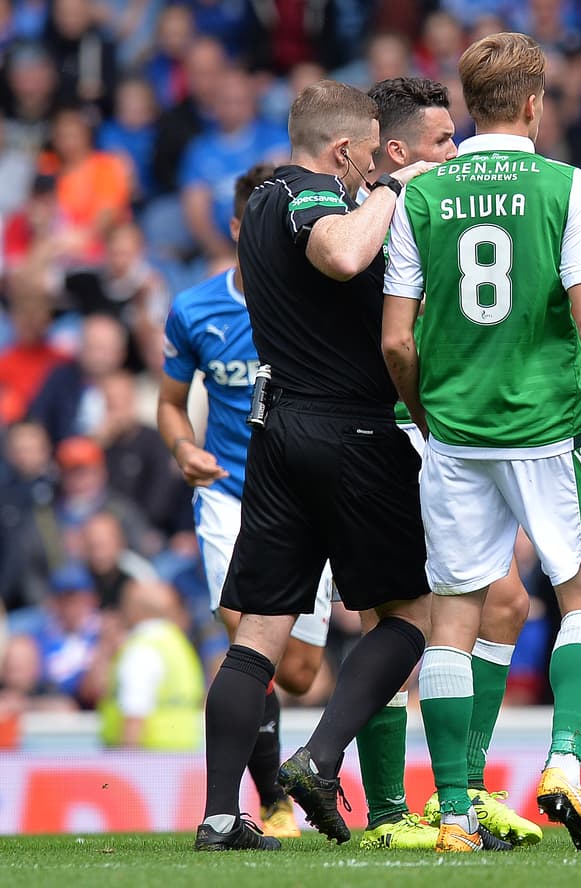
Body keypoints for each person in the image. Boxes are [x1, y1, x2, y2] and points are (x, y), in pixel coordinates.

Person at [381, 32, 581, 853]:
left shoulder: (419, 195)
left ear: (467, 103)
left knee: (453, 618)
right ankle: (564, 765)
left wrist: (427, 416)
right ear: (535, 103)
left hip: (455, 433)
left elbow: (396, 342)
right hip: (548, 426)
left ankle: (455, 812)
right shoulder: (567, 187)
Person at [194, 80, 437, 853]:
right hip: (351, 432)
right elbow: (338, 252)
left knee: (259, 635)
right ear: (341, 152)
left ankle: (219, 816)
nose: (374, 170)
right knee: (411, 618)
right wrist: (396, 187)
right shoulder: (308, 199)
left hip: (276, 433)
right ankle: (319, 758)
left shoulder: (261, 199)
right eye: (368, 157)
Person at [361, 75, 541, 850]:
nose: (456, 152)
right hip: (393, 430)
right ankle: (387, 809)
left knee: (502, 604)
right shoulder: (373, 218)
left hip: (451, 429)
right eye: (441, 142)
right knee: (397, 621)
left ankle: (458, 791)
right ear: (397, 152)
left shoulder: (449, 205)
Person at [158, 164, 331, 841]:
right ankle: (264, 805)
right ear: (238, 229)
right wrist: (182, 449)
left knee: (297, 671)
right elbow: (171, 406)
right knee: (246, 641)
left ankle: (277, 793)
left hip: (310, 496)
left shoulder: (325, 297)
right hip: (231, 496)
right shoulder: (195, 308)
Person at [98, 580, 203, 750]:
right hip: (182, 758)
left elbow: (134, 714)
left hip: (148, 763)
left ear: (135, 610)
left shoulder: (141, 649)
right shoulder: (178, 644)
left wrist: (126, 766)